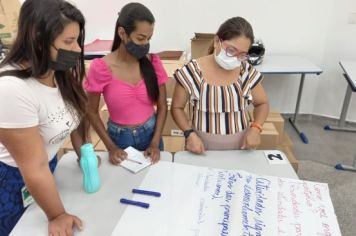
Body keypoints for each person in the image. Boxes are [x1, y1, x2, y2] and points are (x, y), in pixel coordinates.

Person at [0, 0, 91, 235]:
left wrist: (86, 157)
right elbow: (33, 166)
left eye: (77, 40)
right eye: (69, 41)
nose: (78, 49)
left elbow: (76, 117)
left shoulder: (56, 70)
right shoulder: (11, 88)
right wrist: (57, 215)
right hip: (12, 180)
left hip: (45, 169)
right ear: (37, 38)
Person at [84, 3, 168, 165]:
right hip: (119, 139)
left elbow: (162, 106)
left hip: (152, 134)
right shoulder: (101, 67)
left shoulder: (153, 63)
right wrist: (111, 147)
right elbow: (91, 111)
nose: (145, 44)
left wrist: (155, 143)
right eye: (140, 38)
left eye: (149, 39)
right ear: (122, 33)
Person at [171, 17, 269, 154]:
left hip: (240, 148)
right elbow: (176, 108)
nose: (235, 58)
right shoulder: (192, 71)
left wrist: (256, 128)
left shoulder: (245, 71)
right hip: (201, 147)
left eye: (242, 54)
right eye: (231, 50)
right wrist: (189, 134)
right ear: (217, 41)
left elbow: (262, 103)